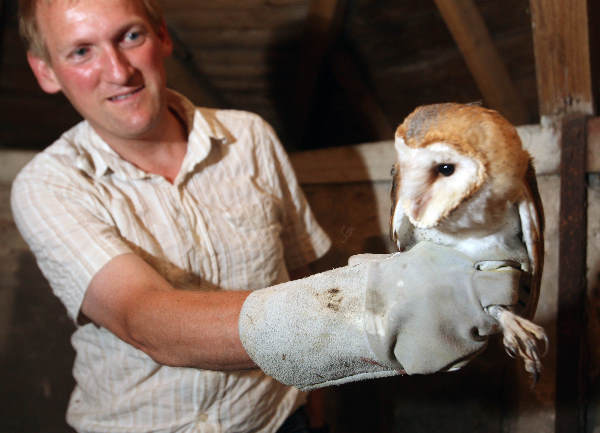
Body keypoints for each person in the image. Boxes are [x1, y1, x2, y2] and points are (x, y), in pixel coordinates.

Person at [11, 0, 524, 432]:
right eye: (81, 51)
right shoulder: (50, 184)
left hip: (278, 419)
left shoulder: (249, 137)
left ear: (162, 35)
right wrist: (366, 313)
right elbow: (142, 319)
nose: (118, 71)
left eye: (129, 36)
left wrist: (314, 399)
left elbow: (304, 269)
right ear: (45, 71)